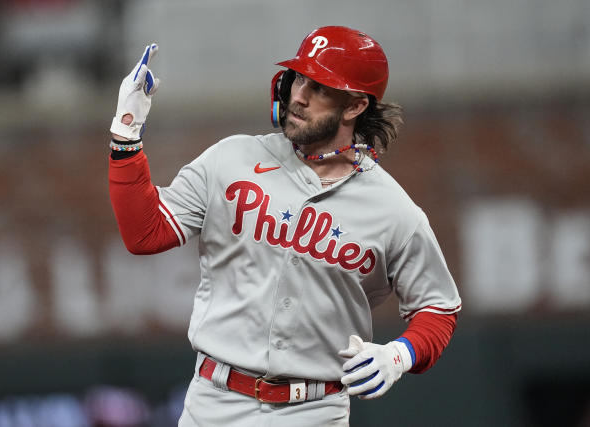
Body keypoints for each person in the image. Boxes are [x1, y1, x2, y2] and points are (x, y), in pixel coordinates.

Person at [108, 26, 461, 427]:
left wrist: (400, 355)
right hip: (213, 404)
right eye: (299, 78)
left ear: (355, 106)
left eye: (322, 88)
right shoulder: (232, 158)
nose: (299, 95)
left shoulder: (394, 210)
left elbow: (438, 307)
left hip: (315, 411)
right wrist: (126, 133)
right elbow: (145, 233)